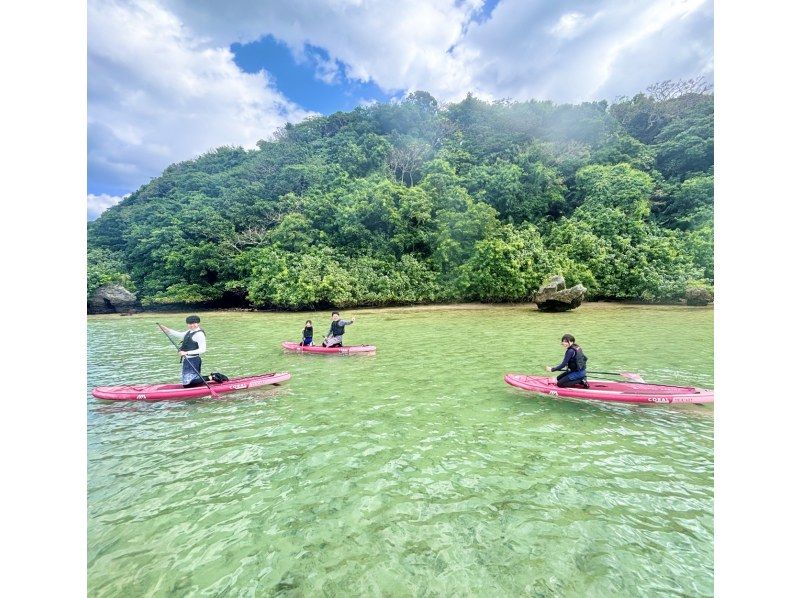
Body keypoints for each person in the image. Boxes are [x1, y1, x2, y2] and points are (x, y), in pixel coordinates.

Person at [161, 315, 207, 387]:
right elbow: (180, 335)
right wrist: (167, 330)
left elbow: (202, 350)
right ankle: (199, 381)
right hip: (187, 360)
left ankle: (212, 377)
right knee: (186, 383)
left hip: (194, 360)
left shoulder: (199, 334)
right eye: (189, 323)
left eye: (194, 323)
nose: (192, 325)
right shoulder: (189, 331)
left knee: (189, 383)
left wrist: (186, 352)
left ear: (198, 323)